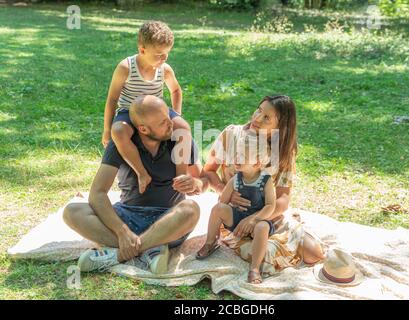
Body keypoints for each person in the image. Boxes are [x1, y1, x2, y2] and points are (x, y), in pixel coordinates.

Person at [64, 95, 208, 273]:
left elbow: (204, 182)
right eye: (163, 122)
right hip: (128, 215)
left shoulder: (180, 140)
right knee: (72, 212)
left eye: (169, 117)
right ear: (144, 129)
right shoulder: (122, 145)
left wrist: (194, 182)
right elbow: (98, 193)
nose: (171, 124)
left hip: (170, 219)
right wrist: (122, 230)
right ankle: (151, 248)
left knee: (191, 209)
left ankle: (117, 255)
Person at [204, 95, 325, 266]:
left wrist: (256, 219)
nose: (257, 118)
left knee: (314, 254)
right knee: (264, 258)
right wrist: (226, 193)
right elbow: (208, 171)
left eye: (267, 117)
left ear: (280, 126)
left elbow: (283, 199)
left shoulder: (283, 151)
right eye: (259, 110)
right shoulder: (232, 134)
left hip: (267, 215)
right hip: (234, 215)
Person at [101, 20, 190, 195]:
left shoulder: (164, 69)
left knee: (184, 128)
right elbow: (112, 99)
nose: (164, 58)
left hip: (157, 111)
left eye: (167, 54)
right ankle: (142, 174)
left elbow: (176, 90)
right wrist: (106, 130)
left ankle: (181, 178)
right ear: (142, 49)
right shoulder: (125, 67)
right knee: (118, 131)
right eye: (159, 54)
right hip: (129, 111)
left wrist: (176, 115)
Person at [197, 134, 276, 284]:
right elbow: (222, 201)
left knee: (262, 227)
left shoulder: (266, 180)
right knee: (218, 208)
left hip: (257, 221)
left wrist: (253, 219)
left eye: (242, 156)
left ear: (257, 162)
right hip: (237, 219)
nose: (235, 159)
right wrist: (227, 200)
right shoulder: (236, 179)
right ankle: (210, 242)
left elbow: (270, 206)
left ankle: (254, 268)